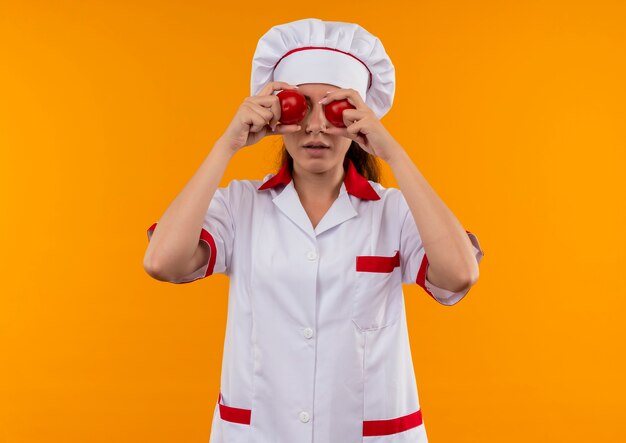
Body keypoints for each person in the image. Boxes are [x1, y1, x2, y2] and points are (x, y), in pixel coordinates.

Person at [144, 18, 484, 443]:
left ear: (360, 118)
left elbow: (459, 274)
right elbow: (162, 262)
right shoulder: (240, 205)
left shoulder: (393, 211)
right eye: (300, 105)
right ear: (276, 112)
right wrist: (227, 143)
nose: (316, 125)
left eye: (336, 108)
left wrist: (392, 152)